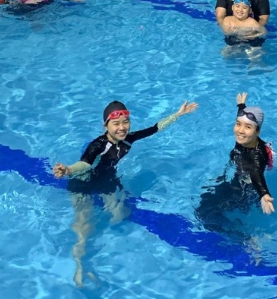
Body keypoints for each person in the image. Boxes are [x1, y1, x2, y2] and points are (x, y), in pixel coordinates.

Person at [52, 99, 198, 286]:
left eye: (125, 122)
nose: (122, 128)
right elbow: (85, 164)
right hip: (83, 183)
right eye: (116, 124)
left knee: (120, 214)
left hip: (106, 181)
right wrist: (69, 170)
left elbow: (155, 128)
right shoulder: (97, 145)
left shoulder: (128, 138)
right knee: (84, 224)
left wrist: (178, 114)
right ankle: (80, 264)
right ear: (105, 126)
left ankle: (102, 247)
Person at [195, 93, 276, 237]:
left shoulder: (257, 155)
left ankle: (248, 239)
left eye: (248, 127)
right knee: (204, 202)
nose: (240, 130)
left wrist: (263, 193)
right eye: (238, 124)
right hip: (237, 181)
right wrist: (241, 105)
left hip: (244, 190)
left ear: (257, 132)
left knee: (206, 215)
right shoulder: (245, 139)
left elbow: (255, 172)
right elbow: (242, 118)